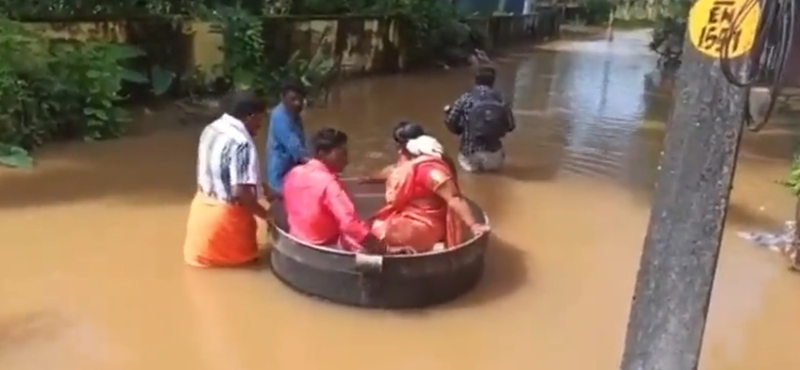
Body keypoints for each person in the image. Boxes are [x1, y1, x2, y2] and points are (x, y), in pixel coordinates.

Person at [363, 122, 490, 254]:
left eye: (400, 147)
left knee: (371, 234)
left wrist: (474, 225)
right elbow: (391, 171)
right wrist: (368, 178)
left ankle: (422, 247)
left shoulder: (431, 172)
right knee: (372, 224)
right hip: (417, 217)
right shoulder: (421, 164)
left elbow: (454, 198)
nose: (399, 151)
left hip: (426, 225)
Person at [183, 90, 270, 267]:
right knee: (248, 270)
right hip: (226, 224)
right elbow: (241, 193)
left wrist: (267, 190)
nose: (260, 126)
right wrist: (268, 216)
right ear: (249, 117)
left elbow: (225, 172)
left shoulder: (211, 129)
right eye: (259, 119)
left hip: (201, 217)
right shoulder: (242, 143)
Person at [282, 128, 385, 253]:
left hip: (297, 239)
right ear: (321, 154)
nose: (347, 161)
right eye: (341, 154)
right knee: (372, 232)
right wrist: (381, 247)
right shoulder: (329, 184)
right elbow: (350, 225)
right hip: (324, 245)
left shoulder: (293, 173)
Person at [444, 66, 515, 173]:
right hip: (494, 156)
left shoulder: (466, 98)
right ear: (493, 82)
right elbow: (511, 126)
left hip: (469, 155)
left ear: (476, 81)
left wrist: (449, 115)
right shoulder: (501, 99)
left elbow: (451, 123)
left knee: (471, 177)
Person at [266, 80, 309, 195]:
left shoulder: (294, 115)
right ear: (283, 98)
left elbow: (302, 143)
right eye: (293, 99)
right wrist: (316, 166)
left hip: (292, 170)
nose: (297, 103)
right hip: (280, 175)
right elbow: (295, 148)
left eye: (300, 100)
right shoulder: (280, 117)